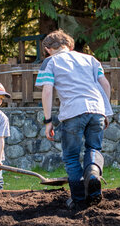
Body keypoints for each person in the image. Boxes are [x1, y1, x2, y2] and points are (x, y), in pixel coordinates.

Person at [35, 29, 112, 210]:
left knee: (70, 157)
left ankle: (78, 198)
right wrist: (105, 111)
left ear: (47, 49)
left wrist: (48, 121)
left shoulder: (50, 62)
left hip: (72, 112)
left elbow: (47, 91)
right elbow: (105, 85)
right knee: (93, 148)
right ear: (70, 45)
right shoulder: (91, 59)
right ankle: (93, 177)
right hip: (97, 110)